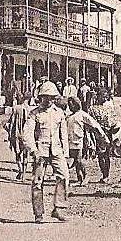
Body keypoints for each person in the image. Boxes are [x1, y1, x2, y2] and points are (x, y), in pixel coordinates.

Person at [22, 81, 71, 223]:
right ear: (41, 97)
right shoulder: (34, 114)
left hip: (56, 150)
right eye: (46, 97)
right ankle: (38, 213)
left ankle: (58, 207)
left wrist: (65, 153)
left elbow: (64, 135)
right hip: (40, 151)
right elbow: (28, 134)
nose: (49, 100)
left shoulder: (59, 113)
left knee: (64, 176)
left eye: (51, 97)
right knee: (37, 182)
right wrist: (33, 150)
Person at [65, 97, 108, 186]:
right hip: (70, 141)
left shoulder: (82, 114)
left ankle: (86, 175)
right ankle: (80, 179)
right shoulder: (69, 116)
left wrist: (103, 136)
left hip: (78, 141)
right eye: (69, 105)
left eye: (71, 104)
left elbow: (95, 125)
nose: (70, 106)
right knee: (76, 162)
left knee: (79, 160)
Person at [88, 90, 118, 183]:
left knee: (104, 155)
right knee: (103, 155)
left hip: (104, 133)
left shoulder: (97, 109)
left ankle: (105, 175)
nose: (104, 98)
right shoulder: (94, 109)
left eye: (105, 96)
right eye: (103, 96)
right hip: (101, 133)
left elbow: (114, 122)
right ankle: (105, 175)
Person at [7, 90, 36, 180]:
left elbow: (11, 122)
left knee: (18, 154)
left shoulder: (16, 108)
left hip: (17, 133)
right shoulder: (31, 109)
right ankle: (23, 173)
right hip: (26, 134)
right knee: (25, 154)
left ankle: (20, 170)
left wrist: (9, 134)